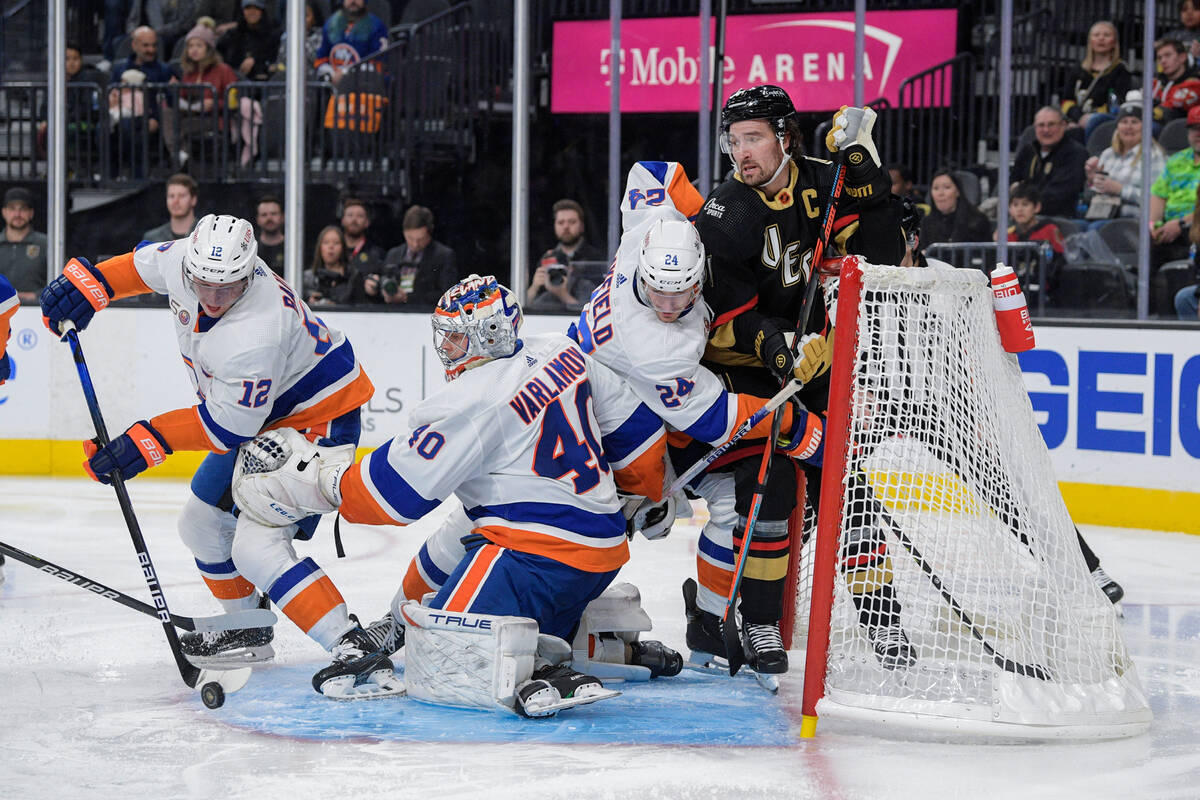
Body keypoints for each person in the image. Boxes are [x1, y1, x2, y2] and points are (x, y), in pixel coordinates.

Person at [373, 161, 826, 680]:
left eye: (682, 291)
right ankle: (395, 621)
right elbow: (718, 420)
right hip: (613, 432)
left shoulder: (642, 237)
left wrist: (706, 220)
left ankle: (708, 618)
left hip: (574, 394)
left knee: (483, 517)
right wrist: (795, 424)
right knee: (496, 517)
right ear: (645, 278)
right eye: (659, 292)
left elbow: (649, 174)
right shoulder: (660, 351)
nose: (670, 305)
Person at [231, 274, 670, 713]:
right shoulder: (561, 349)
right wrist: (642, 495)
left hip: (535, 560)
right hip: (602, 550)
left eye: (457, 338)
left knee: (439, 656)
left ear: (489, 334)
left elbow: (391, 498)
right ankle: (601, 645)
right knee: (460, 529)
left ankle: (545, 667)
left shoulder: (472, 401)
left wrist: (313, 478)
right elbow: (639, 438)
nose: (448, 349)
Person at [39, 214, 378, 679]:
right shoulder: (189, 262)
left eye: (228, 287)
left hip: (318, 423)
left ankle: (351, 645)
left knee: (257, 547)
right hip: (266, 418)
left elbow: (224, 429)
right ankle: (246, 627)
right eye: (204, 284)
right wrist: (91, 286)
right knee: (200, 524)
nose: (213, 298)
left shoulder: (256, 334)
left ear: (250, 270)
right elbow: (141, 268)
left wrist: (145, 442)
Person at [692, 85, 910, 673]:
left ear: (785, 137)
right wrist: (777, 347)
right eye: (734, 141)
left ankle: (883, 617)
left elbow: (882, 256)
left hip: (817, 359)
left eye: (754, 138)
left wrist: (867, 175)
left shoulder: (822, 179)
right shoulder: (725, 214)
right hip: (751, 373)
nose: (742, 153)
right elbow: (719, 325)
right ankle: (760, 622)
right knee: (775, 481)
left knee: (847, 485)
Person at [167, 21, 239, 169]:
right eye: (191, 46)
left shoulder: (223, 70)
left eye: (199, 46)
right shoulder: (188, 72)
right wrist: (175, 90)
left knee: (176, 125)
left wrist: (214, 104)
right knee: (166, 110)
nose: (194, 50)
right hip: (192, 114)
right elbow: (183, 98)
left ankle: (180, 154)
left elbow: (234, 101)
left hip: (215, 118)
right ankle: (181, 154)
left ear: (209, 48)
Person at [1082, 103, 1166, 229]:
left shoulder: (1154, 156)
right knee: (1074, 228)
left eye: (1134, 122)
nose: (1129, 127)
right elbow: (1092, 194)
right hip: (1101, 214)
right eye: (1124, 121)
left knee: (1094, 229)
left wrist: (1120, 190)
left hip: (1133, 220)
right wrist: (1091, 180)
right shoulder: (1107, 154)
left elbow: (1156, 200)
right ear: (1118, 126)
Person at [107, 26, 173, 178]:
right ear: (134, 45)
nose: (151, 49)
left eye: (154, 45)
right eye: (146, 45)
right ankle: (109, 177)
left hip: (149, 118)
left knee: (130, 128)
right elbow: (111, 93)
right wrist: (112, 100)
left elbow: (168, 100)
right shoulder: (119, 69)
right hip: (121, 115)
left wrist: (156, 119)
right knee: (102, 128)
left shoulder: (164, 70)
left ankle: (137, 178)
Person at [371, 205, 459, 308]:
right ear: (404, 232)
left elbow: (449, 296)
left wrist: (408, 297)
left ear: (430, 233)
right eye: (410, 238)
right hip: (393, 314)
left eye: (421, 239)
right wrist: (375, 287)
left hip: (426, 315)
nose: (415, 244)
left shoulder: (444, 256)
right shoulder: (393, 254)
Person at [526, 200, 605, 313]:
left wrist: (562, 294)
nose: (566, 226)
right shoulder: (546, 258)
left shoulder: (596, 258)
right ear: (554, 226)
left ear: (582, 226)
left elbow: (599, 308)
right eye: (561, 222)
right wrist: (535, 286)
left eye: (572, 222)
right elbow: (525, 306)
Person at [1011, 106, 1089, 218]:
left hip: (1058, 217)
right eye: (1041, 125)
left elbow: (1061, 194)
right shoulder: (1028, 151)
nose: (1046, 130)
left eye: (1051, 124)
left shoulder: (1076, 153)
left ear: (1063, 125)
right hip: (1023, 213)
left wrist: (1025, 200)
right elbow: (1013, 181)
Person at [1061, 21, 1133, 139]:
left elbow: (1118, 103)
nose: (1101, 39)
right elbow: (1066, 100)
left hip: (1102, 120)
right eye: (1096, 35)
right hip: (1075, 119)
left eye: (1106, 35)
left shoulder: (1121, 70)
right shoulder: (1079, 69)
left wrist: (1089, 117)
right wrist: (1078, 118)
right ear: (1090, 41)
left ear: (1114, 42)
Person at [36, 43, 106, 161]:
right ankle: (52, 168)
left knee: (67, 130)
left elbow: (85, 109)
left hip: (84, 122)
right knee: (42, 132)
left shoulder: (89, 79)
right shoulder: (54, 79)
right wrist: (46, 120)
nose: (72, 63)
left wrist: (61, 120)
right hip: (62, 121)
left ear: (81, 60)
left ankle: (73, 168)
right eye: (67, 59)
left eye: (75, 59)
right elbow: (45, 107)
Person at [1150, 104, 1200, 268]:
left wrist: (1180, 224)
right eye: (1193, 128)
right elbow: (1158, 194)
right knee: (1145, 241)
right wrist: (1154, 225)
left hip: (1193, 227)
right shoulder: (1176, 160)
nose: (1197, 133)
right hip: (1169, 227)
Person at [999, 182, 1066, 299]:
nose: (1020, 209)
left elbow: (1060, 261)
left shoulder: (1050, 229)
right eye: (1015, 205)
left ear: (1037, 207)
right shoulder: (1007, 235)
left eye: (1025, 204)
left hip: (1045, 293)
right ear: (1010, 209)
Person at [313, 0, 388, 88]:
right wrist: (332, 75)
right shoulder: (330, 24)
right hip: (335, 91)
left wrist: (346, 74)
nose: (353, 1)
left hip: (366, 90)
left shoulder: (376, 26)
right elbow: (320, 60)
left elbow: (379, 65)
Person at [919, 169, 993, 247]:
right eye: (936, 188)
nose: (940, 193)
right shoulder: (927, 222)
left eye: (947, 187)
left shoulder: (978, 221)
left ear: (958, 192)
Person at [0, 187, 49, 301]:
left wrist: (36, 296)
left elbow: (65, 280)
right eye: (12, 208)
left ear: (31, 213)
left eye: (23, 209)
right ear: (4, 212)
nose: (17, 214)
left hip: (37, 312)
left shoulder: (46, 244)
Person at [304, 225, 364, 306]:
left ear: (343, 248)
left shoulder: (353, 277)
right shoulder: (307, 278)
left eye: (336, 243)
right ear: (319, 247)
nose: (331, 247)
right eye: (326, 242)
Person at [1151, 38, 1200, 127]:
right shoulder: (1156, 82)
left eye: (1168, 55)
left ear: (1182, 57)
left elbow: (1171, 109)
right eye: (1159, 58)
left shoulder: (1195, 83)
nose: (1163, 61)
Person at [141, 173, 199, 243]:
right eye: (171, 196)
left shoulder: (205, 235)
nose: (175, 201)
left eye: (181, 196)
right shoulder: (151, 239)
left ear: (193, 200)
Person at [338, 197, 383, 273]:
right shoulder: (333, 250)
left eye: (360, 216)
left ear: (367, 222)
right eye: (350, 215)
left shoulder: (376, 254)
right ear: (342, 221)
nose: (354, 220)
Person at [254, 194, 285, 275]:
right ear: (258, 220)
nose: (269, 218)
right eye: (264, 215)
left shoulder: (292, 248)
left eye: (274, 213)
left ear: (282, 217)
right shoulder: (251, 249)